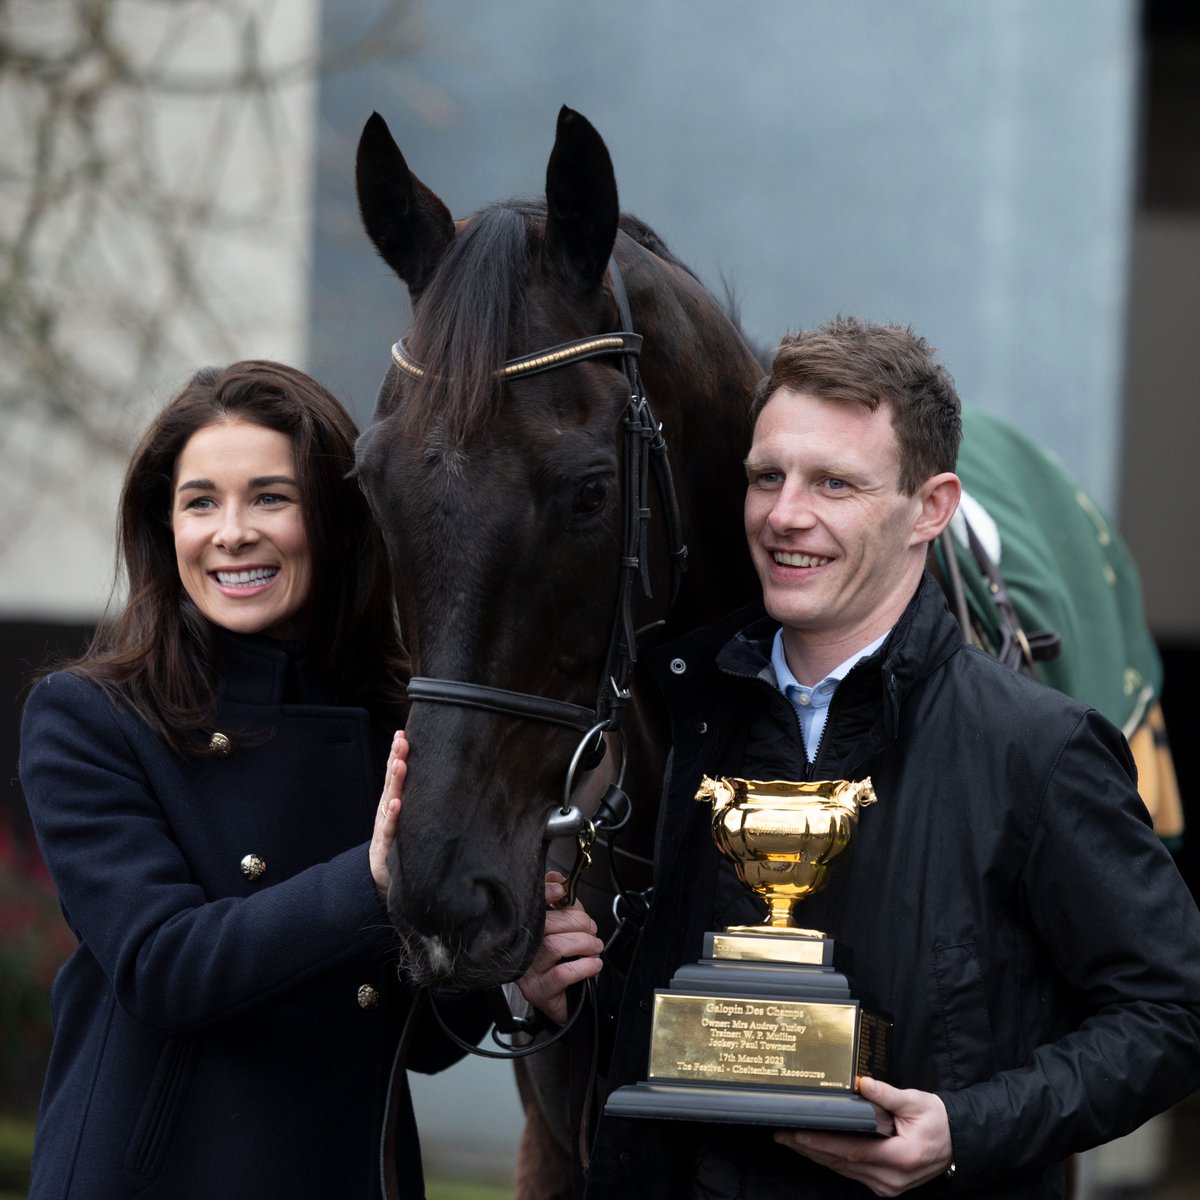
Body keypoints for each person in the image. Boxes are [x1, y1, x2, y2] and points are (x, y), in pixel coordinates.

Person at [585, 318, 1200, 1198]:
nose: (785, 515)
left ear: (932, 508)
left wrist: (967, 1130)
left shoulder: (1037, 750)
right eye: (768, 477)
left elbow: (1175, 1010)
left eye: (835, 482)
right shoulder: (664, 719)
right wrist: (559, 983)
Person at [18, 360, 602, 1200]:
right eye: (200, 502)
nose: (232, 532)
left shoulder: (394, 717)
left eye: (269, 497)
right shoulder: (89, 718)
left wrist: (512, 978)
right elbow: (162, 967)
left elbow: (418, 1039)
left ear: (332, 519)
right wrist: (370, 878)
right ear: (165, 525)